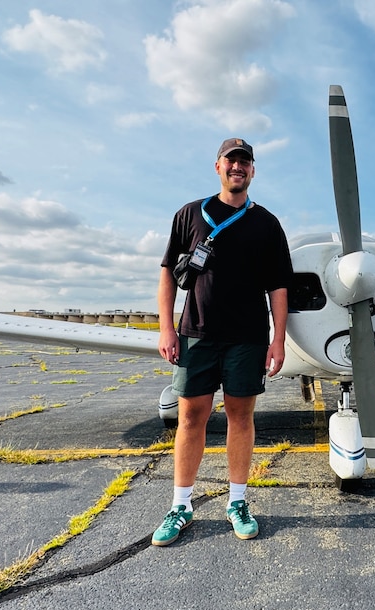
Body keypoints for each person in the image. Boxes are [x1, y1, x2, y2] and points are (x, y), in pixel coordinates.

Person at [154, 137, 292, 546]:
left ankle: (237, 502)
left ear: (252, 171)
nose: (238, 167)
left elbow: (279, 286)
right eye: (231, 160)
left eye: (244, 162)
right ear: (218, 166)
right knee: (191, 417)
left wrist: (278, 339)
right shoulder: (189, 214)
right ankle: (181, 505)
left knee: (240, 417)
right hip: (196, 333)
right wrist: (166, 328)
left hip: (247, 337)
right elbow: (167, 273)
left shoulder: (267, 223)